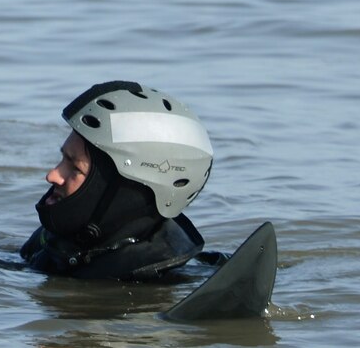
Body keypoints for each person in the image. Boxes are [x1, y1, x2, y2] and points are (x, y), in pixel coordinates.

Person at [21, 80, 215, 281]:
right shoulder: (52, 244)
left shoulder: (167, 283)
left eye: (75, 167)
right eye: (63, 159)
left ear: (126, 192)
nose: (52, 175)